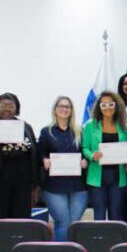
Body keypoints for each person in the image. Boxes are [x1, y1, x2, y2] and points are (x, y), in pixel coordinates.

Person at [38, 96, 87, 240]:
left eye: (67, 106)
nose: (64, 109)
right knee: (62, 223)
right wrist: (44, 160)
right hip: (54, 186)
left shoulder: (80, 131)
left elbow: (86, 152)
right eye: (61, 106)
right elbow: (40, 153)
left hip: (78, 186)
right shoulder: (47, 132)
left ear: (71, 110)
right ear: (55, 109)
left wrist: (86, 161)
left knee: (74, 224)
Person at [82, 91, 127, 221]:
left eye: (110, 104)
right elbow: (84, 148)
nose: (107, 107)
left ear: (116, 105)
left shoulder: (123, 126)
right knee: (99, 214)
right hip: (97, 176)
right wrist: (92, 155)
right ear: (99, 107)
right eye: (103, 105)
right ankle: (100, 241)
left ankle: (115, 241)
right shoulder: (90, 125)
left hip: (118, 176)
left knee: (116, 214)